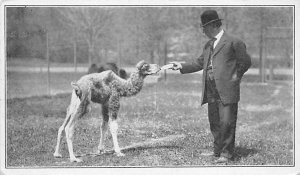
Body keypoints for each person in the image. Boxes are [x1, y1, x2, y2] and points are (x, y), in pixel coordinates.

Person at [170, 10, 251, 163]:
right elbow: (198, 63)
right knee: (214, 121)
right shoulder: (208, 45)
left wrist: (234, 78)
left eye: (204, 28)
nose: (203, 31)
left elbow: (245, 62)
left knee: (227, 121)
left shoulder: (234, 42)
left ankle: (227, 154)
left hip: (227, 89)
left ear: (213, 25)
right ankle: (218, 150)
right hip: (211, 88)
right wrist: (180, 65)